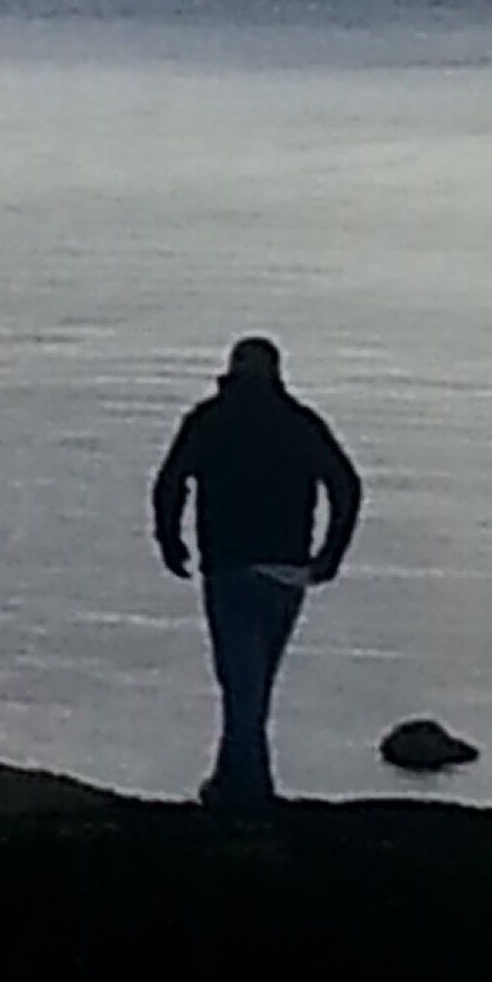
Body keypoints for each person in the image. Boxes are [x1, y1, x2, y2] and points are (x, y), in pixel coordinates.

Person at [150, 335, 361, 810]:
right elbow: (345, 485)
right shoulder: (299, 422)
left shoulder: (209, 419)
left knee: (240, 684)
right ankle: (231, 781)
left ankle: (249, 794)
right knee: (254, 684)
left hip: (228, 567)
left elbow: (170, 481)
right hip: (288, 570)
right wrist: (330, 553)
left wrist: (170, 540)